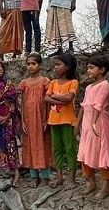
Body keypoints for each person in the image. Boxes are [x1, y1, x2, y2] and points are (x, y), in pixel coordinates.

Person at [76, 56, 109, 199]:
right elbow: (84, 106)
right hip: (87, 122)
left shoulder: (105, 85)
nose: (88, 71)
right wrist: (78, 123)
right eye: (88, 68)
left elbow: (98, 105)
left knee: (103, 152)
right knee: (85, 152)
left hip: (99, 122)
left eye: (91, 68)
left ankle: (106, 186)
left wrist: (93, 123)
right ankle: (91, 182)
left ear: (102, 70)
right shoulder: (88, 87)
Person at [45, 53, 79, 188]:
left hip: (68, 120)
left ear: (68, 67)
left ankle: (72, 178)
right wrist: (59, 98)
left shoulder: (73, 82)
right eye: (55, 65)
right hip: (54, 120)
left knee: (70, 149)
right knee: (57, 149)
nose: (55, 67)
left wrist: (53, 97)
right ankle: (59, 177)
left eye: (58, 64)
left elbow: (69, 98)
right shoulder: (53, 82)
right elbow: (46, 98)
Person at [18, 53, 52, 187]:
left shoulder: (45, 81)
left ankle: (44, 176)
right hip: (28, 119)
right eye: (28, 64)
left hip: (41, 118)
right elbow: (22, 103)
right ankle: (33, 176)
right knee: (29, 147)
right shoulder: (24, 83)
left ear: (40, 65)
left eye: (33, 64)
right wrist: (23, 121)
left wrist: (46, 120)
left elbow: (48, 103)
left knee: (43, 145)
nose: (30, 66)